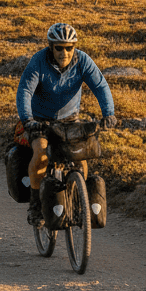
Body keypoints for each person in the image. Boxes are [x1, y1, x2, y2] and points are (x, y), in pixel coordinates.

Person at [16, 22, 117, 226]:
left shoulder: (83, 60)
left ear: (74, 47)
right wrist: (28, 119)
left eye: (69, 47)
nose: (64, 52)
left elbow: (100, 86)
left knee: (81, 158)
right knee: (41, 154)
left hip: (70, 118)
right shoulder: (39, 61)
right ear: (51, 46)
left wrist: (109, 114)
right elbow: (25, 91)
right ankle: (36, 205)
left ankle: (78, 200)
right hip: (40, 120)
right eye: (59, 47)